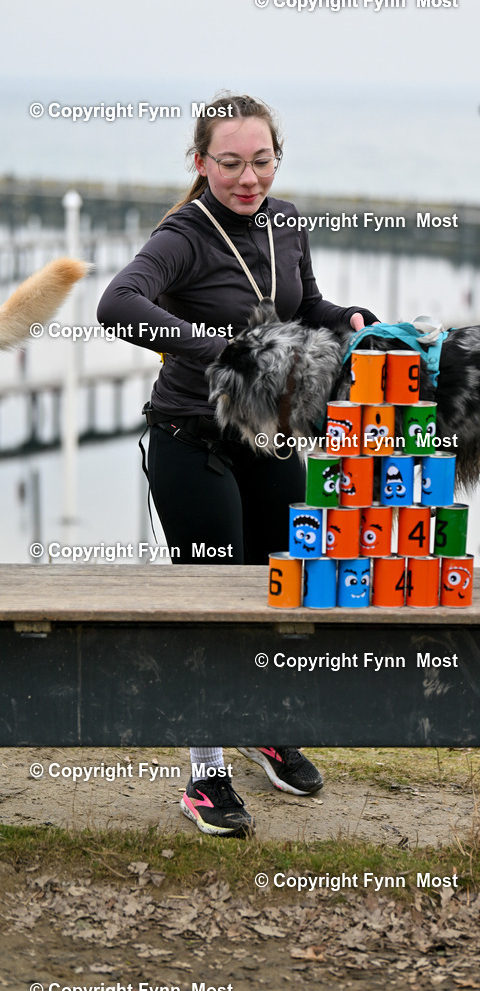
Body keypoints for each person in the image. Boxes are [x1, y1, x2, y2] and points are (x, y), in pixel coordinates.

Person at [97, 92, 378, 838]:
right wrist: (215, 348)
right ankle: (204, 774)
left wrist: (346, 319)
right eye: (230, 162)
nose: (247, 177)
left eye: (260, 160)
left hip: (272, 437)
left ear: (275, 158)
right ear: (200, 162)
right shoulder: (182, 235)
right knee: (212, 599)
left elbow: (304, 304)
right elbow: (116, 304)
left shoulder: (286, 221)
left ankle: (261, 726)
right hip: (192, 436)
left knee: (277, 592)